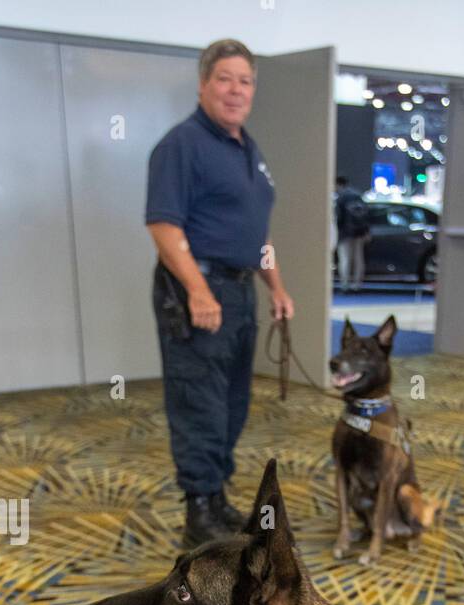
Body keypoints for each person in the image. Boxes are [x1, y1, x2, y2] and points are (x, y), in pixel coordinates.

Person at [145, 38, 294, 547]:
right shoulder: (181, 145)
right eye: (225, 78)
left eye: (245, 80)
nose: (236, 89)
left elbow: (259, 234)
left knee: (232, 401)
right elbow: (164, 227)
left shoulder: (247, 148)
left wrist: (275, 286)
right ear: (203, 84)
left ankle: (216, 496)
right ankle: (199, 510)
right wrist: (198, 290)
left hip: (240, 290)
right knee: (198, 401)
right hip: (200, 291)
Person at [334, 175, 370, 292]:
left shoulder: (341, 197)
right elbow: (366, 215)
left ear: (338, 184)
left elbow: (338, 218)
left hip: (345, 233)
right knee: (358, 258)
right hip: (359, 232)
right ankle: (357, 284)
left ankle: (345, 284)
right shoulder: (358, 195)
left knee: (345, 259)